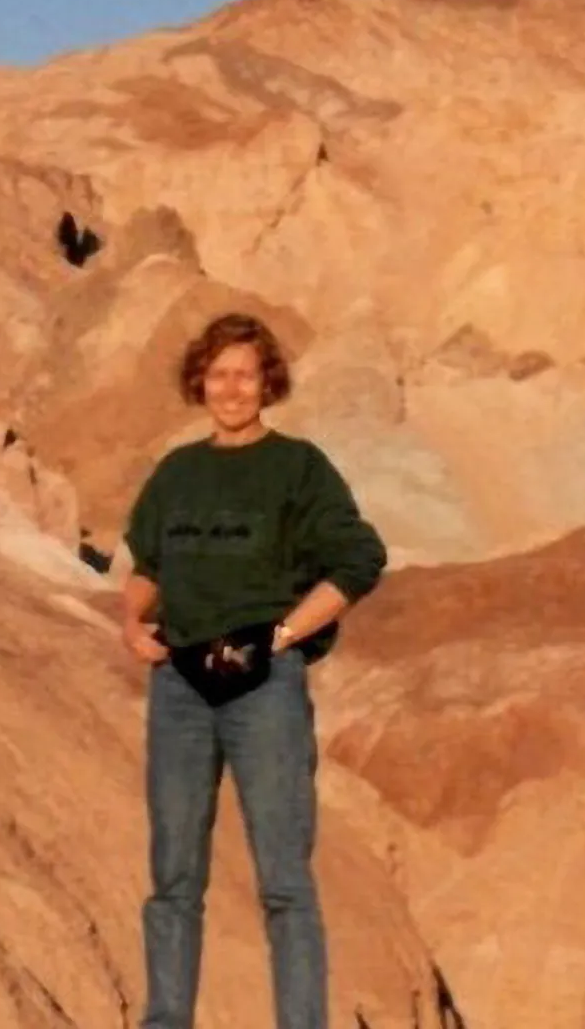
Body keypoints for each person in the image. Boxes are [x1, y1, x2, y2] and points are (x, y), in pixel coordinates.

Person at [120, 311, 388, 1029]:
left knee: (284, 880)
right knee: (173, 876)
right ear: (199, 382)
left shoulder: (298, 468)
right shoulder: (177, 473)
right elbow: (147, 568)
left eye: (245, 373)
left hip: (263, 685)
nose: (232, 388)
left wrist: (283, 635)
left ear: (268, 382)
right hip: (179, 685)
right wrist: (130, 622)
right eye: (219, 374)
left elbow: (361, 559)